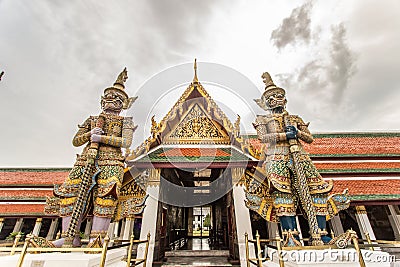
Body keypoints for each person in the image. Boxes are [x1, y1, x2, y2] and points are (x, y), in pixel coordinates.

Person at [247, 72, 349, 246]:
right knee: (282, 193)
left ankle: (321, 234)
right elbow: (263, 138)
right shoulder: (263, 119)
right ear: (265, 103)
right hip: (276, 157)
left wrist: (298, 132)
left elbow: (309, 138)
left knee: (316, 191)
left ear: (285, 99)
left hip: (300, 156)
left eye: (279, 96)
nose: (276, 99)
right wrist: (284, 135)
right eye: (271, 97)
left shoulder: (295, 119)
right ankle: (291, 236)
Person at [46, 68, 137, 247]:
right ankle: (69, 237)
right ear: (102, 100)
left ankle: (97, 238)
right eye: (109, 96)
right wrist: (89, 135)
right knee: (71, 195)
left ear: (124, 104)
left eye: (117, 98)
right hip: (86, 159)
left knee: (106, 196)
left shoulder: (125, 121)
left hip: (112, 161)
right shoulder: (92, 120)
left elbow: (126, 142)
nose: (112, 99)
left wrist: (100, 138)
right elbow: (75, 141)